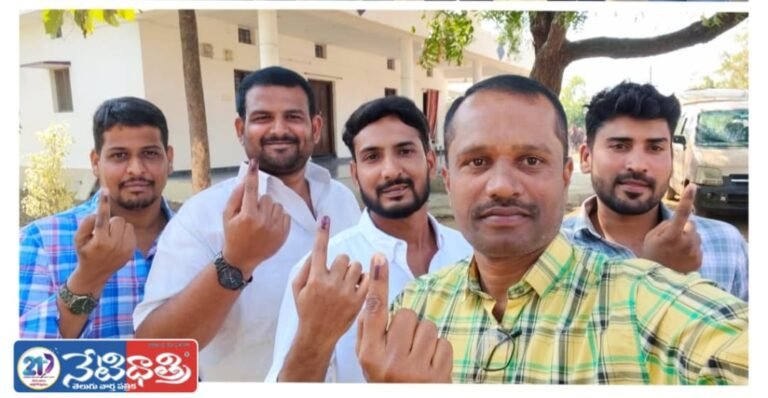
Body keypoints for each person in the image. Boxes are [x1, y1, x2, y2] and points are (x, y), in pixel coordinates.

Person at [355, 75, 747, 384]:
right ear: (447, 179)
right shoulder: (414, 307)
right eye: (477, 162)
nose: (502, 186)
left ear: (565, 174)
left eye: (530, 160)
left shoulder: (642, 298)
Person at [132, 66, 361, 382]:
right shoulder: (202, 215)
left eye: (293, 117)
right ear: (241, 129)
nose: (279, 129)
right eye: (263, 118)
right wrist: (236, 262)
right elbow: (154, 351)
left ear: (316, 127)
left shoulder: (342, 199)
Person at [266, 96, 472, 382]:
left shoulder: (471, 253)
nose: (391, 170)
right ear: (355, 174)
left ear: (430, 162)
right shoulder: (323, 273)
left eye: (405, 151)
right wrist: (314, 338)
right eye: (372, 157)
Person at [561, 82, 748, 301]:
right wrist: (658, 275)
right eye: (619, 146)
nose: (638, 165)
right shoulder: (551, 249)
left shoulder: (726, 245)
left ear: (672, 157)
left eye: (655, 148)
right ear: (586, 158)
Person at [20, 97, 175, 339]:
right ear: (95, 162)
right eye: (119, 156)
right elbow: (22, 357)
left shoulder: (197, 236)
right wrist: (89, 276)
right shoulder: (40, 241)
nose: (136, 169)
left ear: (169, 159)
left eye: (149, 153)